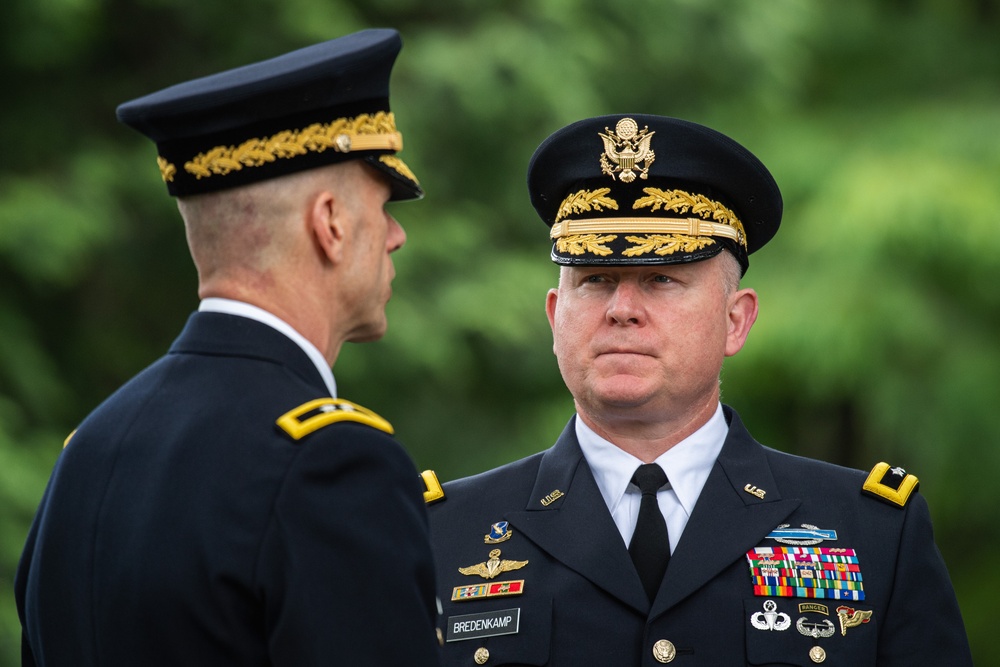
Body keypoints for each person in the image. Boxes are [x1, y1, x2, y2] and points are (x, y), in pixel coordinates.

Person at [428, 114, 972, 665]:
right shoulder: (439, 534)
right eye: (595, 280)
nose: (621, 310)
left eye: (662, 280)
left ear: (736, 320)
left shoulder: (874, 533)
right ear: (554, 316)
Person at [16, 29, 442, 666]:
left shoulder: (90, 451)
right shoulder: (331, 461)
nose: (397, 235)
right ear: (329, 223)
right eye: (382, 207)